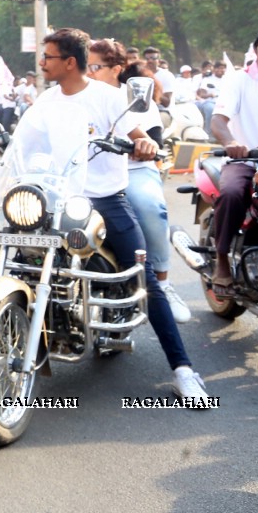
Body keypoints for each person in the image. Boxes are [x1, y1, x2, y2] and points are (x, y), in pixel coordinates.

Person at [0, 28, 209, 401]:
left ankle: (183, 369)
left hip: (103, 200)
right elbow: (27, 139)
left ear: (70, 62)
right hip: (56, 197)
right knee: (16, 255)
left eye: (48, 57)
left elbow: (135, 133)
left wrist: (143, 142)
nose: (42, 63)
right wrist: (2, 142)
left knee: (143, 276)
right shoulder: (46, 101)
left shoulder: (107, 97)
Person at [87, 41, 191, 323]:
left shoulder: (134, 97)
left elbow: (154, 140)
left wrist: (144, 145)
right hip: (84, 173)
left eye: (95, 67)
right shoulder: (73, 95)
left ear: (116, 69)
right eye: (86, 66)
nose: (89, 73)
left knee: (147, 205)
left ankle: (161, 281)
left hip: (132, 169)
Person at [208, 26, 258, 294]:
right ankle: (222, 260)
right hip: (248, 163)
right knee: (233, 193)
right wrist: (231, 142)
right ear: (256, 54)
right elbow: (218, 120)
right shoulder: (239, 80)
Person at [196, 61, 228, 132]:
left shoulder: (228, 80)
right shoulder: (207, 79)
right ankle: (210, 133)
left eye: (223, 68)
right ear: (214, 69)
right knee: (210, 109)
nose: (221, 70)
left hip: (224, 102)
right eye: (219, 68)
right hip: (210, 102)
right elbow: (202, 94)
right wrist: (211, 95)